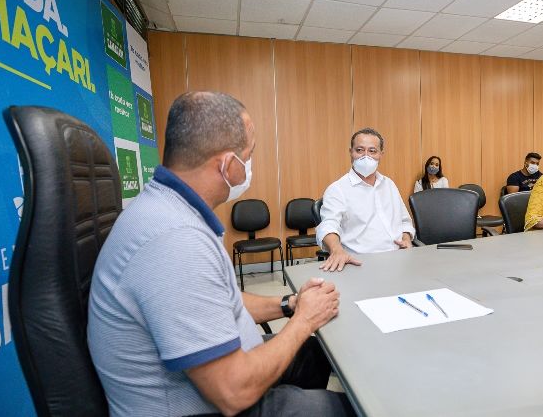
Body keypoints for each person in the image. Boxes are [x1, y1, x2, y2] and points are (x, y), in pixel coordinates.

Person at [88, 92, 353, 417]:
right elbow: (233, 392)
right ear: (228, 165)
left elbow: (220, 300)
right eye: (248, 156)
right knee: (346, 408)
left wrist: (288, 305)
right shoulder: (175, 241)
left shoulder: (172, 208)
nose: (249, 168)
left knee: (313, 353)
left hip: (220, 376)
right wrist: (304, 320)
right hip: (209, 404)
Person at [316, 127, 416, 272]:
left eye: (372, 151)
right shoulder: (337, 189)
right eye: (360, 150)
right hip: (360, 262)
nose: (366, 156)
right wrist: (336, 249)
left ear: (381, 154)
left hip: (398, 259)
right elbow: (328, 224)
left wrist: (406, 239)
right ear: (351, 152)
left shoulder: (389, 184)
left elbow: (404, 221)